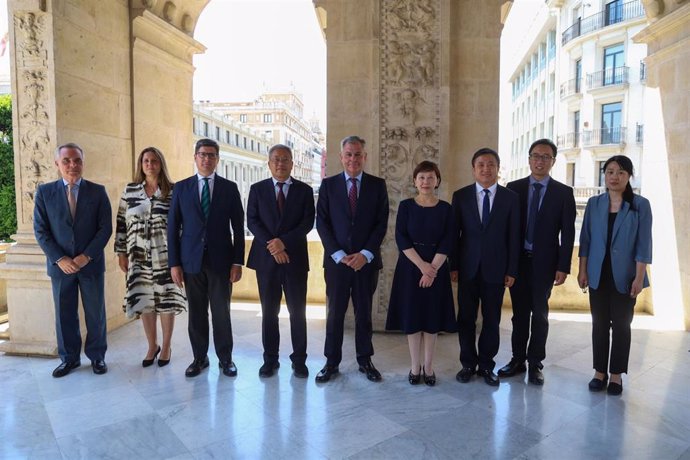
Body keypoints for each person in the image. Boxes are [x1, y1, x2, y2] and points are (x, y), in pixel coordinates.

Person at [498, 139, 576, 385]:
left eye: (546, 157)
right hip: (518, 262)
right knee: (518, 315)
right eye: (536, 156)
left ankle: (535, 364)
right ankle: (518, 360)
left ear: (553, 161)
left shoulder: (564, 193)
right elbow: (506, 230)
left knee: (540, 315)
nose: (540, 161)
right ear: (529, 159)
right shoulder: (513, 188)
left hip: (545, 264)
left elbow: (568, 233)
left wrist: (563, 266)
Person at [167, 138, 245, 378]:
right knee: (197, 314)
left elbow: (238, 228)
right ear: (195, 157)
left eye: (211, 155)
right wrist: (174, 263)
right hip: (191, 262)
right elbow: (172, 227)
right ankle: (199, 358)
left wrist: (237, 261)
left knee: (222, 313)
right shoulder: (181, 188)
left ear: (217, 159)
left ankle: (226, 359)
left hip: (222, 262)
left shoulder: (229, 188)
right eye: (202, 154)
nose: (207, 159)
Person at [34, 143, 113, 377]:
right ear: (57, 164)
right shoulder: (44, 192)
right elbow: (41, 230)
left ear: (82, 163)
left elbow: (105, 228)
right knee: (64, 314)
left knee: (95, 313)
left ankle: (97, 357)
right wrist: (60, 259)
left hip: (90, 265)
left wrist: (85, 256)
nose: (72, 165)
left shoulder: (98, 192)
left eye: (77, 160)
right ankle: (69, 359)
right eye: (66, 160)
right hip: (61, 268)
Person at [315, 135, 389, 382]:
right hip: (337, 264)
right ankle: (331, 362)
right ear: (341, 157)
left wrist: (365, 254)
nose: (353, 159)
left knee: (364, 314)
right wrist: (339, 255)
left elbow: (381, 224)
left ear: (364, 157)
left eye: (357, 154)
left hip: (366, 263)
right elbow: (322, 224)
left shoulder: (378, 185)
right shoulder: (328, 185)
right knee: (335, 314)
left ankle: (365, 360)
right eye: (348, 154)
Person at [578, 155, 652, 395]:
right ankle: (599, 372)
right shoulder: (594, 203)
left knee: (622, 326)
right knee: (599, 324)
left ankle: (616, 375)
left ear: (629, 176)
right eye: (610, 171)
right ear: (604, 175)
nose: (614, 177)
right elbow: (586, 240)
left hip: (626, 276)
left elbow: (644, 245)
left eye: (620, 172)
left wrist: (639, 278)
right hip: (598, 274)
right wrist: (582, 270)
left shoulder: (640, 205)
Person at [451, 147, 520, 386]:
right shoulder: (460, 196)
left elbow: (514, 237)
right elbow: (454, 235)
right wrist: (454, 266)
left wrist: (511, 269)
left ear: (497, 169)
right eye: (480, 164)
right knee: (466, 319)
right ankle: (468, 364)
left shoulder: (510, 198)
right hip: (467, 268)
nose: (485, 169)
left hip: (497, 270)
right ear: (473, 169)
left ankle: (487, 366)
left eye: (490, 164)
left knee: (491, 320)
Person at [246, 144, 315, 379]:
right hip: (266, 261)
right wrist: (273, 246)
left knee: (298, 312)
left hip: (295, 259)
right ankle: (270, 360)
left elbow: (307, 223)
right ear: (269, 163)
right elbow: (252, 221)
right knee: (269, 312)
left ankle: (299, 360)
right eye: (275, 159)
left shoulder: (304, 191)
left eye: (285, 159)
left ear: (292, 163)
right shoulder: (257, 189)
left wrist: (283, 243)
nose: (280, 163)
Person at [385, 161, 457, 386]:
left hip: (436, 267)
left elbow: (448, 240)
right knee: (413, 318)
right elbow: (401, 238)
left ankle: (429, 367)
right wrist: (423, 267)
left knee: (432, 319)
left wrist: (432, 269)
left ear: (438, 181)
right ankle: (415, 367)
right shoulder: (406, 206)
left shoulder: (446, 208)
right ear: (415, 181)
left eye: (431, 177)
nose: (426, 182)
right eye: (421, 178)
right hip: (410, 267)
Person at [115, 147, 186, 368]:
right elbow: (120, 224)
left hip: (165, 256)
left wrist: (179, 259)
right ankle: (151, 345)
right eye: (145, 160)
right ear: (140, 164)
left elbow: (182, 227)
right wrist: (121, 252)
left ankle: (166, 346)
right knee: (144, 301)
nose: (149, 164)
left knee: (166, 301)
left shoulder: (173, 191)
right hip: (137, 256)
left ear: (160, 163)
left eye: (154, 160)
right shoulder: (131, 190)